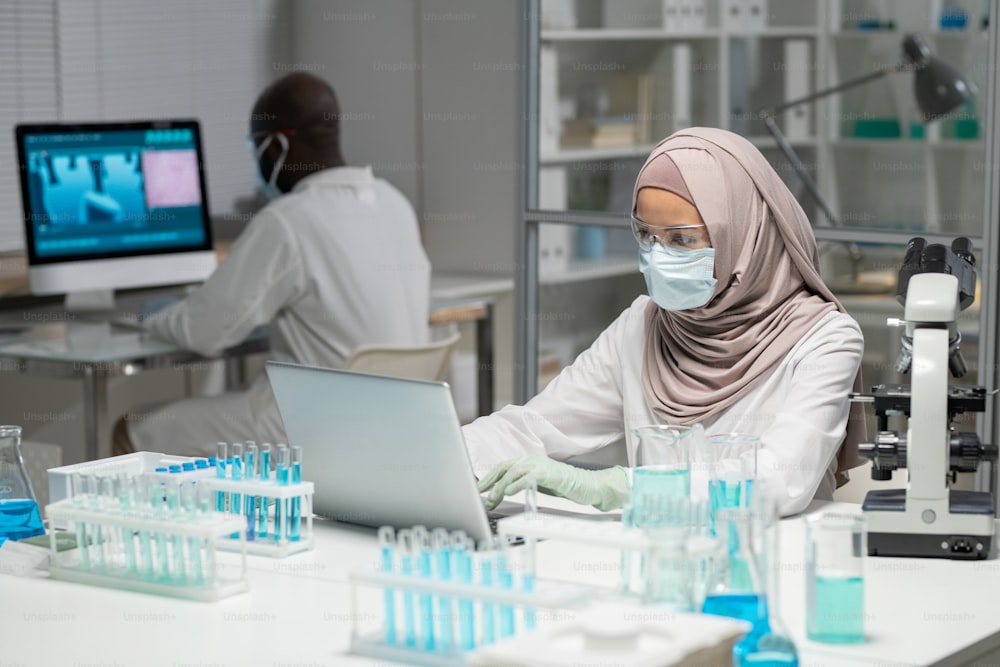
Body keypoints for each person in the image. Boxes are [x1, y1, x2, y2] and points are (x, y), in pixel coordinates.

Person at [471, 127, 866, 518]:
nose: (657, 257)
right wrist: (438, 450)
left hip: (770, 562)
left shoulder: (826, 339)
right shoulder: (642, 326)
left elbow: (780, 479)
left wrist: (620, 487)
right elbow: (537, 426)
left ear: (745, 235)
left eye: (681, 240)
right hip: (664, 554)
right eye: (645, 234)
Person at [113, 72, 431, 457]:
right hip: (398, 422)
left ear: (277, 148)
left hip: (313, 426)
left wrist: (154, 314)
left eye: (255, 147)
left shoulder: (287, 220)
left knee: (132, 430)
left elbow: (205, 332)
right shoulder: (394, 203)